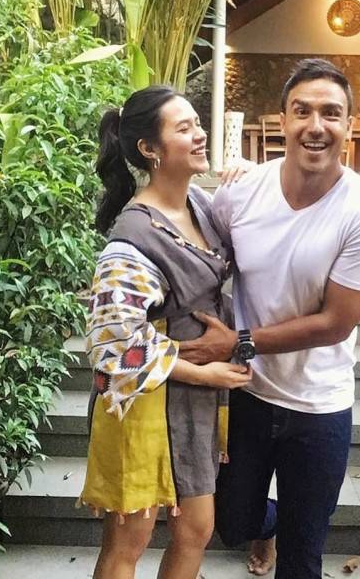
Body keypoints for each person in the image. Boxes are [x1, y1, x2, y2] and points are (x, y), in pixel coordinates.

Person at [179, 59, 360, 579]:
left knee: (303, 554)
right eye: (303, 111)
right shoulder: (241, 192)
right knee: (233, 521)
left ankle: (288, 532)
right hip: (247, 394)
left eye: (331, 113)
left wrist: (237, 341)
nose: (316, 125)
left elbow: (335, 323)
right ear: (282, 121)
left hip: (320, 406)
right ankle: (265, 526)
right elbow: (199, 256)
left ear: (349, 125)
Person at [78, 85, 251, 579]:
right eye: (184, 128)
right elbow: (111, 344)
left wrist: (250, 177)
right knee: (129, 539)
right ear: (149, 149)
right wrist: (203, 373)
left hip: (192, 405)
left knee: (196, 528)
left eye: (198, 124)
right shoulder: (133, 238)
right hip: (142, 404)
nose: (200, 135)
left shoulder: (201, 205)